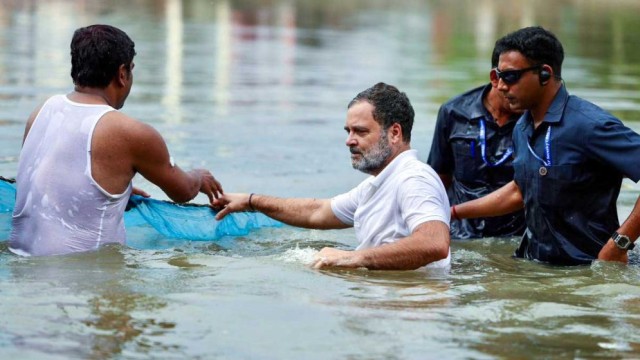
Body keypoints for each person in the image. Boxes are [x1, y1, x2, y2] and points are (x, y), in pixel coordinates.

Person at [9, 24, 223, 256]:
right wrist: (199, 177)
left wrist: (109, 189)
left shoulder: (41, 112)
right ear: (122, 74)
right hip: (82, 278)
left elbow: (44, 184)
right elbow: (182, 191)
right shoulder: (130, 132)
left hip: (22, 267)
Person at [452, 26, 640, 265]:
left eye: (510, 76)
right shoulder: (522, 128)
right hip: (536, 267)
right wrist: (455, 212)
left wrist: (619, 244)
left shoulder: (589, 125)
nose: (500, 86)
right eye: (497, 76)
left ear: (544, 74)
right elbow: (520, 191)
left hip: (585, 273)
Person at [214, 82, 451, 270]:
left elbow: (434, 243)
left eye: (360, 131)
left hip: (414, 307)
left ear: (395, 133)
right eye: (348, 131)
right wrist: (250, 201)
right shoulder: (376, 185)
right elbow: (317, 212)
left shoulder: (414, 179)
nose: (349, 141)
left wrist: (354, 258)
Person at [427, 48, 525, 239]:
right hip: (459, 234)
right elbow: (438, 178)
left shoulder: (537, 121)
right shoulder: (453, 112)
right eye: (513, 79)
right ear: (496, 79)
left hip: (515, 237)